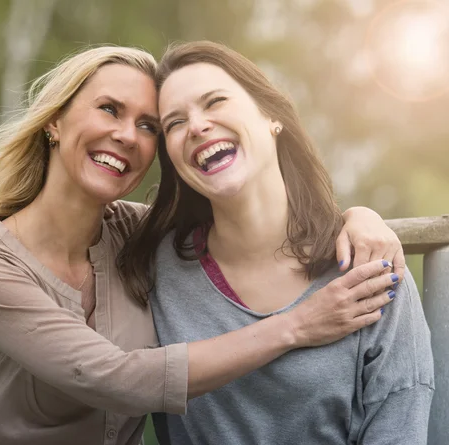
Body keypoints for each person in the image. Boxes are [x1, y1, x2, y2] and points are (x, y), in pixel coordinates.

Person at [0, 45, 404, 445]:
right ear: (54, 121)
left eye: (149, 126)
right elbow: (113, 378)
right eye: (109, 109)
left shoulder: (135, 236)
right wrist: (297, 325)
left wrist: (358, 218)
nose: (126, 136)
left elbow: (245, 215)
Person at [118, 41, 434, 445]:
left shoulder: (370, 268)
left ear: (271, 116)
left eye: (215, 101)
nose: (197, 126)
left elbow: (398, 428)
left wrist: (361, 215)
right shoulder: (153, 266)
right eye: (175, 123)